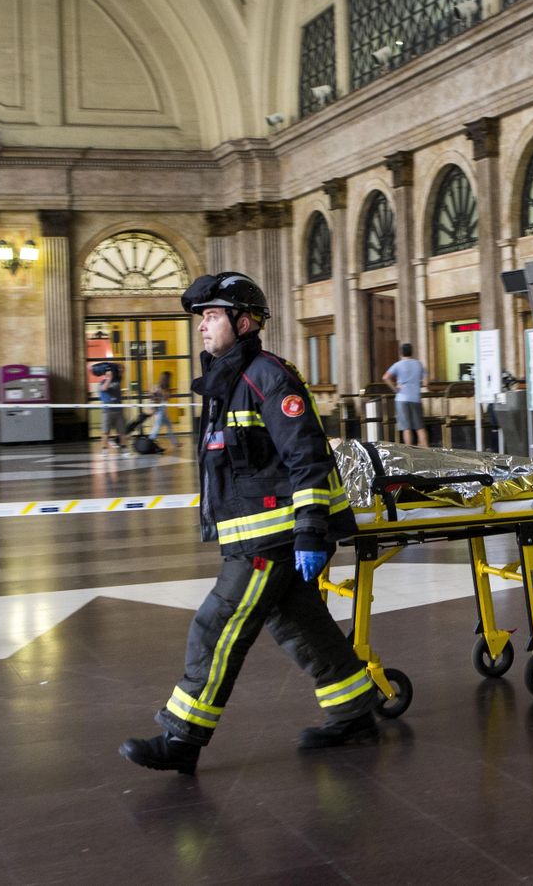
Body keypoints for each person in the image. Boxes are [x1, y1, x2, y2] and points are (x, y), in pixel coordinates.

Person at [120, 272, 378, 773]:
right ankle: (355, 710)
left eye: (212, 316)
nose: (201, 327)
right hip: (252, 532)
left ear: (243, 321)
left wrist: (309, 529)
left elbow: (307, 458)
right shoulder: (226, 382)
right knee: (301, 625)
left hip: (273, 536)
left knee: (216, 627)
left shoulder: (268, 378)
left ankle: (181, 738)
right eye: (201, 318)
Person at [382, 343, 428, 446]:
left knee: (406, 428)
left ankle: (409, 452)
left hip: (401, 398)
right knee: (420, 428)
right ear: (412, 352)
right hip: (415, 398)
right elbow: (425, 383)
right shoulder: (419, 364)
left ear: (401, 352)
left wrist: (395, 389)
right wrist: (415, 384)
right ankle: (426, 451)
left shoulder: (398, 365)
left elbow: (385, 377)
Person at [95, 363, 126, 451]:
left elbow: (122, 369)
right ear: (104, 375)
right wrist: (109, 378)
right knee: (105, 432)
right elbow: (105, 388)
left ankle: (124, 448)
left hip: (118, 411)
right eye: (107, 373)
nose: (109, 374)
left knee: (121, 431)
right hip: (107, 411)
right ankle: (104, 449)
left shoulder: (117, 381)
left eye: (110, 373)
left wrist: (115, 367)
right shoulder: (101, 384)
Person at [148, 370, 177, 451]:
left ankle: (174, 442)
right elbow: (153, 397)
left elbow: (167, 397)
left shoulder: (164, 387)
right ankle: (150, 441)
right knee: (157, 426)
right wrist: (153, 409)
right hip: (159, 409)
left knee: (169, 424)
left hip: (162, 409)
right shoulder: (159, 387)